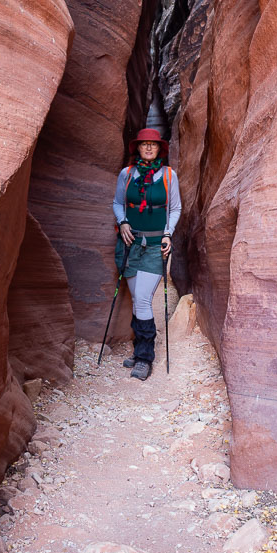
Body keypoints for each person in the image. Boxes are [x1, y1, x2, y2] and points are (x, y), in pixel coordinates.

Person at [112, 127, 181, 380]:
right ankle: (139, 348)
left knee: (142, 298)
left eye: (153, 144)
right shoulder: (127, 174)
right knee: (136, 298)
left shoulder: (168, 175)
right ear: (138, 148)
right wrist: (123, 222)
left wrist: (168, 233)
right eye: (144, 144)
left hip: (154, 245)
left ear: (160, 148)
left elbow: (175, 208)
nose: (149, 148)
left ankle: (144, 358)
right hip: (129, 243)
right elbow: (118, 203)